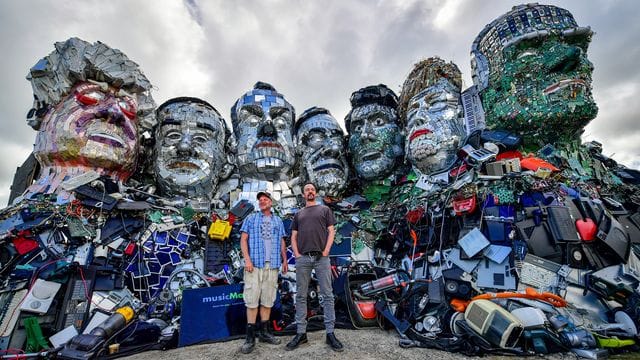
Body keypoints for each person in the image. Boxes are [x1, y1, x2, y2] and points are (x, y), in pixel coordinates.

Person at [286, 182, 343, 352]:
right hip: (303, 258)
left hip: (321, 258)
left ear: (315, 193)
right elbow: (293, 236)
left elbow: (331, 231)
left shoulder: (324, 210)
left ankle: (330, 333)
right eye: (306, 190)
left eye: (312, 189)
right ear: (303, 195)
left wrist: (326, 250)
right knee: (301, 296)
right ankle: (301, 333)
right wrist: (296, 254)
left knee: (327, 295)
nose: (310, 192)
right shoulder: (299, 214)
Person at [239, 191, 288, 354]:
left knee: (268, 300)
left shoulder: (277, 220)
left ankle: (265, 332)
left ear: (271, 202)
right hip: (255, 265)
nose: (262, 201)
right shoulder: (251, 219)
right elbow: (243, 239)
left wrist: (285, 260)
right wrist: (247, 260)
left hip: (272, 265)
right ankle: (250, 337)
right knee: (252, 300)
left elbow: (282, 240)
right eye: (260, 199)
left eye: (265, 199)